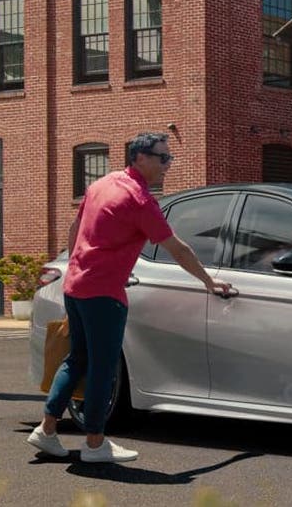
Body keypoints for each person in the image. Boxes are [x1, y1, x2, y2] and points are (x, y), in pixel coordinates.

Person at [26, 132, 233, 463]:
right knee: (102, 368)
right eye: (162, 158)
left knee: (77, 358)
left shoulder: (103, 183)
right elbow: (178, 249)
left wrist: (72, 266)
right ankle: (95, 443)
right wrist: (209, 281)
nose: (168, 165)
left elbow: (75, 228)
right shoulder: (140, 200)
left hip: (76, 287)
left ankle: (47, 430)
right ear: (140, 158)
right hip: (104, 294)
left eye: (170, 158)